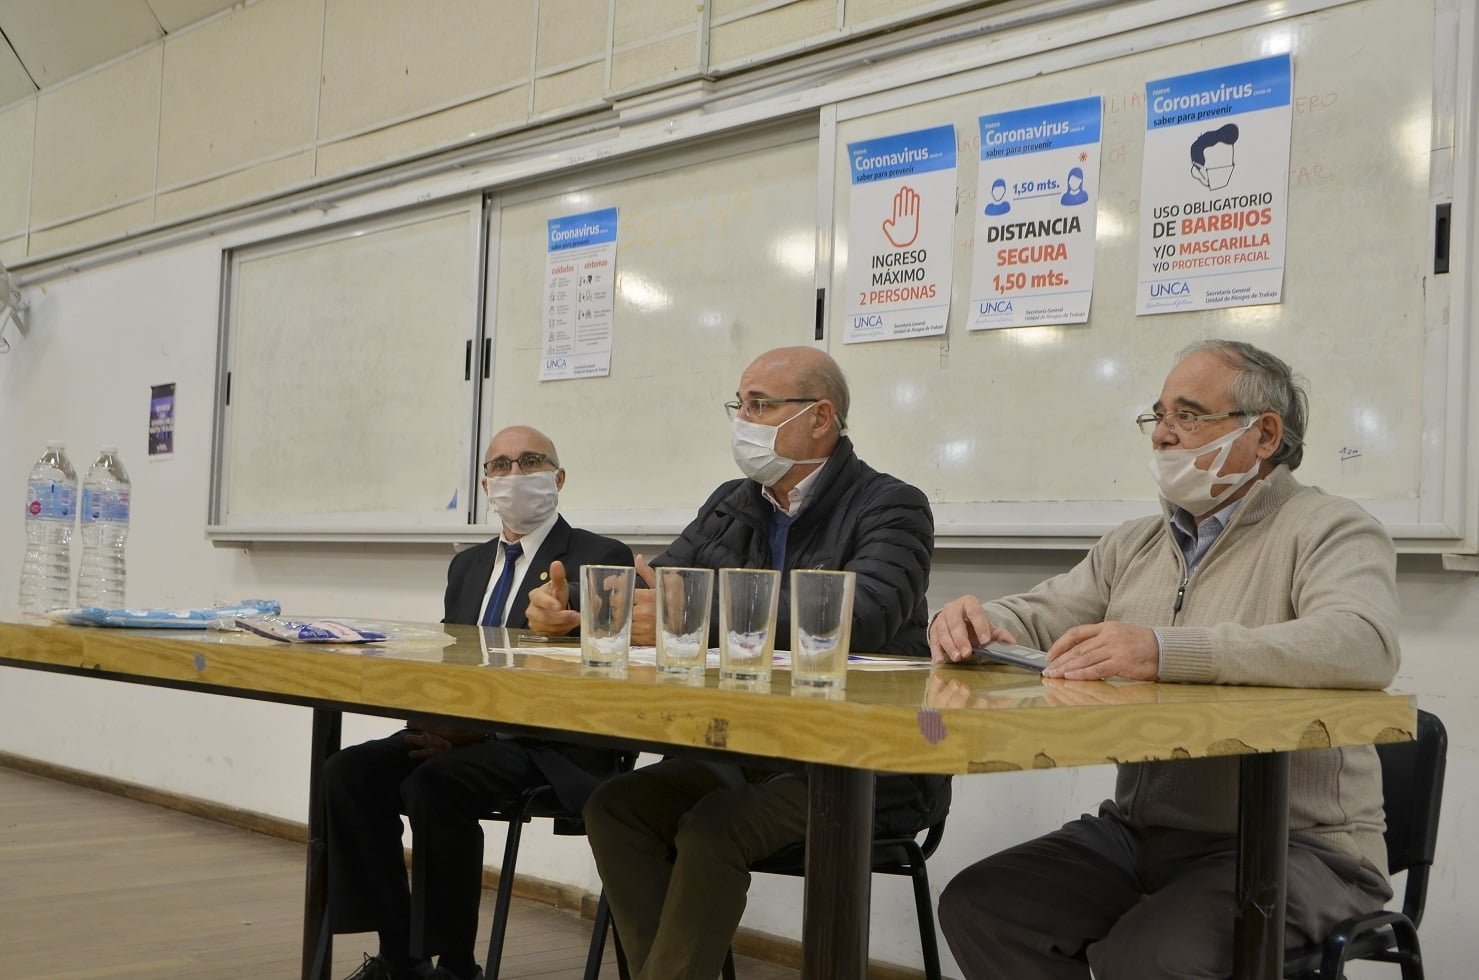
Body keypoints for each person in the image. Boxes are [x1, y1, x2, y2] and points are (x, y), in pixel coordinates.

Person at [930, 340, 1401, 980]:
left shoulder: (1330, 527)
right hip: (1140, 833)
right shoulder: (1136, 543)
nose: (1162, 435)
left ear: (1265, 435)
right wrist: (975, 622)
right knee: (984, 907)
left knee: (1148, 957)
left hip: (1302, 846)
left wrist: (1163, 650)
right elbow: (1042, 613)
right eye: (1158, 416)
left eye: (1189, 416)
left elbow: (1362, 642)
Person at [526, 346, 948, 980]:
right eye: (739, 405)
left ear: (820, 418)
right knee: (615, 807)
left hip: (860, 762)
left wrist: (696, 615)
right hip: (748, 746)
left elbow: (863, 616)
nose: (742, 421)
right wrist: (578, 612)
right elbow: (661, 589)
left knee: (713, 828)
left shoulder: (892, 505)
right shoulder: (733, 503)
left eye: (760, 405)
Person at [325, 426, 633, 980]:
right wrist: (439, 719)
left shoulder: (599, 556)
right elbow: (453, 663)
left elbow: (601, 674)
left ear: (559, 478)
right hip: (460, 729)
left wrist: (485, 732)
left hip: (546, 742)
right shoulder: (467, 565)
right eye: (500, 465)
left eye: (531, 461)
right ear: (486, 484)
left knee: (434, 784)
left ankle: (455, 965)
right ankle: (400, 957)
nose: (515, 474)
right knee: (348, 772)